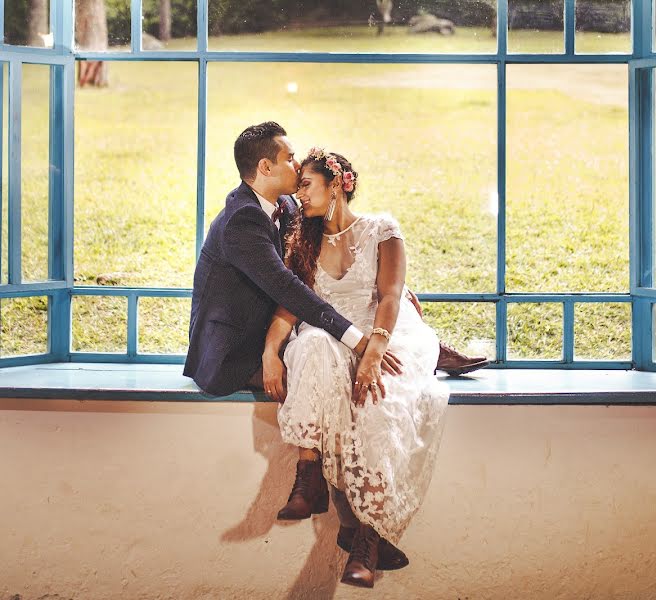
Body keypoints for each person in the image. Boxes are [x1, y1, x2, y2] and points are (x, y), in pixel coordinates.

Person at [184, 121, 486, 398]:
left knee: (366, 359)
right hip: (233, 350)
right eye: (290, 158)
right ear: (265, 167)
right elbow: (289, 287)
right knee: (330, 378)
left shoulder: (286, 204)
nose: (298, 164)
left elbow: (318, 245)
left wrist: (389, 285)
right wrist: (359, 341)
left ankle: (426, 354)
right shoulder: (242, 221)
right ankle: (315, 456)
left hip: (275, 325)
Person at [263, 148, 448, 589]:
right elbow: (288, 312)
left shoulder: (381, 229)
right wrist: (270, 351)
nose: (298, 193)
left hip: (383, 334)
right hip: (331, 335)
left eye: (306, 184)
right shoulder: (302, 244)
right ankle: (308, 478)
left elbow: (389, 296)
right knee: (310, 346)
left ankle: (366, 541)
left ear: (337, 185)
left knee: (380, 407)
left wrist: (374, 352)